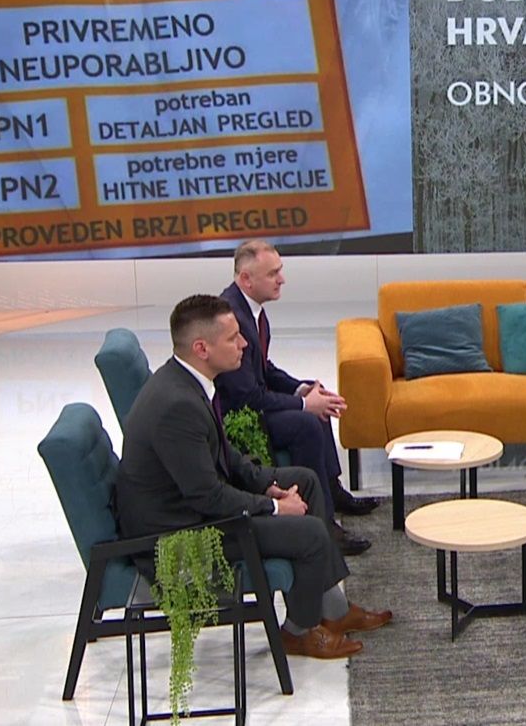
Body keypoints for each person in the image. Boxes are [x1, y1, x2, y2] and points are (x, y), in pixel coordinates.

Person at [115, 294, 391, 658]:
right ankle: (299, 631)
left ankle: (334, 611)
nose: (244, 343)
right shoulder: (176, 405)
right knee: (308, 533)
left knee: (305, 480)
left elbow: (222, 453)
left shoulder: (187, 382)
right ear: (202, 348)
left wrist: (265, 483)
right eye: (233, 338)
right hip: (181, 535)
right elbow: (207, 497)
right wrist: (273, 508)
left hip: (193, 510)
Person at [216, 240, 378, 556]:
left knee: (318, 406)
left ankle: (332, 491)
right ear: (246, 279)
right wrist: (304, 404)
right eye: (273, 274)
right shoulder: (232, 317)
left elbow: (264, 368)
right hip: (238, 417)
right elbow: (247, 397)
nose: (282, 279)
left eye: (280, 271)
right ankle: (322, 523)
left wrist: (300, 389)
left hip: (252, 401)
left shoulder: (253, 311)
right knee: (306, 422)